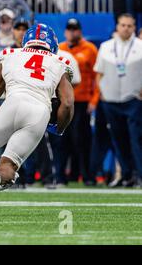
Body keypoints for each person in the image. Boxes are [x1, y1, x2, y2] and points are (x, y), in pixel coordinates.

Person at [0, 24, 75, 205]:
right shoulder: (60, 63)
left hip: (12, 103)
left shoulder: (9, 55)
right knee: (9, 166)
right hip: (39, 112)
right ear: (53, 44)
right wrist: (60, 128)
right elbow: (67, 103)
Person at [94, 13, 142, 187]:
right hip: (110, 100)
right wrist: (102, 93)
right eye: (123, 25)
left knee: (136, 138)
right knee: (118, 139)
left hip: (133, 100)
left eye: (129, 26)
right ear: (117, 26)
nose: (126, 28)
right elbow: (99, 73)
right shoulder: (106, 47)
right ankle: (126, 174)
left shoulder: (140, 46)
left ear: (134, 27)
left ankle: (139, 174)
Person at [54, 18, 97, 185]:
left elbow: (97, 77)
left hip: (81, 102)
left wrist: (94, 100)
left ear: (80, 31)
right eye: (70, 29)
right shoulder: (60, 50)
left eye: (75, 29)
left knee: (81, 140)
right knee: (61, 139)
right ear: (65, 31)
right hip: (62, 101)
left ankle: (86, 176)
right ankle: (61, 176)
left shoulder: (90, 49)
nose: (73, 32)